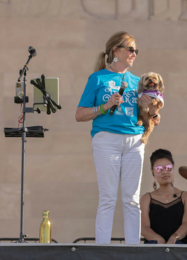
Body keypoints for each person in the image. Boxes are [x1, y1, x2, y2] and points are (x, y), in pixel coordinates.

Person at [75, 31, 160, 244]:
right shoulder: (98, 78)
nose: (134, 54)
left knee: (132, 200)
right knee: (107, 198)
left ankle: (133, 249)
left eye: (136, 50)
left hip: (134, 140)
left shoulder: (137, 81)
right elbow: (80, 114)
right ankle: (102, 249)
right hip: (106, 139)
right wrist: (104, 106)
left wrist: (153, 112)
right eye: (130, 49)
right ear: (116, 50)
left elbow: (147, 112)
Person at [140, 149, 187, 244]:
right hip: (154, 246)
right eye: (159, 169)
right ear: (153, 172)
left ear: (173, 169)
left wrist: (174, 238)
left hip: (179, 245)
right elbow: (144, 228)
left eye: (168, 168)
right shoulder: (146, 198)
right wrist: (158, 239)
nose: (165, 172)